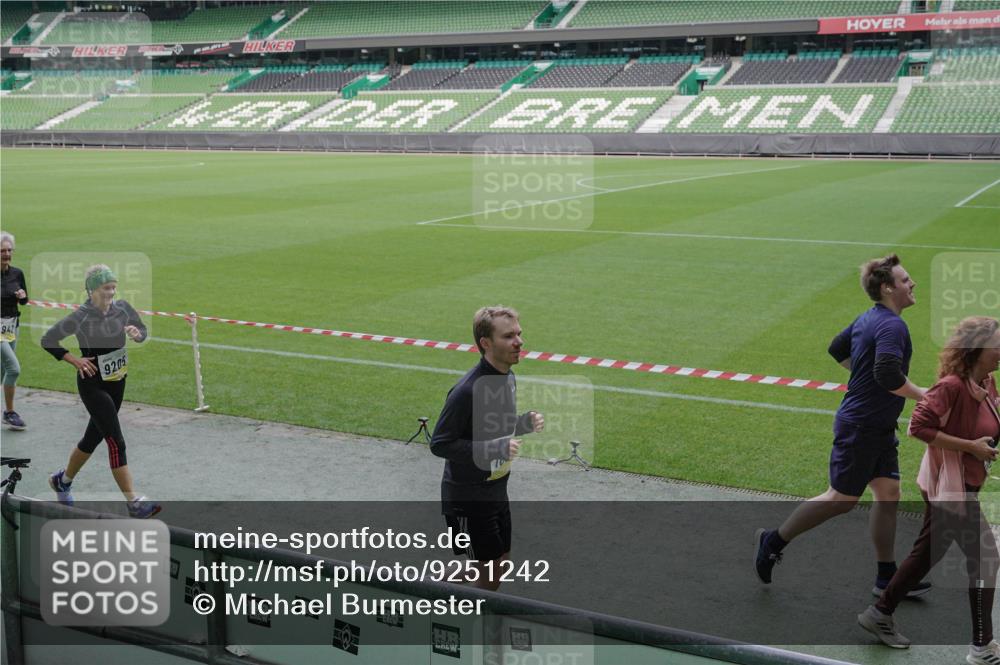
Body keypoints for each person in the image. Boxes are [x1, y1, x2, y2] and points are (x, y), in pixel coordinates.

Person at [755, 254, 929, 596]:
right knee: (841, 499)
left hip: (877, 427)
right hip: (861, 426)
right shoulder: (894, 325)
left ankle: (886, 578)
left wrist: (863, 374)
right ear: (888, 288)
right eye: (906, 280)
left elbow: (837, 348)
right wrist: (924, 395)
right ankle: (772, 541)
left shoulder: (870, 317)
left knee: (888, 494)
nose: (913, 284)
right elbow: (887, 374)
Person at [857, 316, 1000, 663]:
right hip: (950, 487)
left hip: (963, 484)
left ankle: (880, 613)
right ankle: (982, 646)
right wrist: (971, 447)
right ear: (977, 348)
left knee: (928, 552)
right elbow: (917, 427)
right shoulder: (951, 386)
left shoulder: (987, 382)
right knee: (985, 559)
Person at [430, 306, 544, 591]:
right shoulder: (466, 391)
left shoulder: (507, 378)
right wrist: (493, 448)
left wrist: (523, 424)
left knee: (501, 564)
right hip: (468, 499)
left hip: (496, 491)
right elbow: (441, 443)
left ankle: (426, 589)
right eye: (508, 336)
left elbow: (496, 428)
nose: (519, 341)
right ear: (486, 343)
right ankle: (480, 634)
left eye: (519, 333)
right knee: (490, 579)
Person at [40, 264, 160, 518]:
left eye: (113, 287)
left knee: (91, 439)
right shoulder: (81, 316)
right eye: (106, 288)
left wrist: (138, 334)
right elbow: (49, 340)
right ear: (92, 290)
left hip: (117, 382)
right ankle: (133, 502)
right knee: (115, 441)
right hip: (93, 385)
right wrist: (75, 360)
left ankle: (63, 480)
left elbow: (142, 331)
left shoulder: (123, 309)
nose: (111, 292)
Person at [1, 231, 28, 430]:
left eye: (9, 250)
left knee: (1, 370)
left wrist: (22, 295)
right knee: (13, 369)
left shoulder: (17, 273)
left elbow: (25, 301)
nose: (6, 254)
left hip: (12, 327)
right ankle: (9, 412)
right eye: (2, 250)